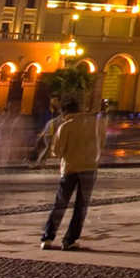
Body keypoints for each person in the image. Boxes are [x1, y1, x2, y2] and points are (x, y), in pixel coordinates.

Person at [39, 98, 99, 250]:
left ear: (64, 111)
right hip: (89, 168)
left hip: (70, 168)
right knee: (81, 206)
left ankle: (48, 237)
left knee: (60, 203)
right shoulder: (94, 125)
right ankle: (70, 240)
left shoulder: (65, 126)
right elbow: (101, 143)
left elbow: (57, 152)